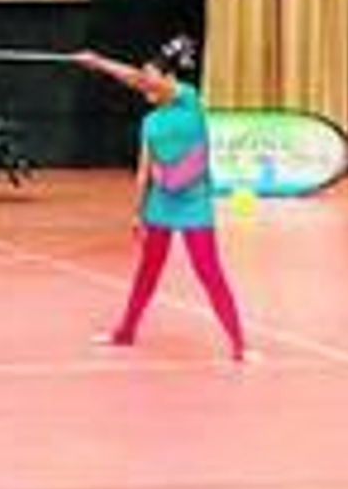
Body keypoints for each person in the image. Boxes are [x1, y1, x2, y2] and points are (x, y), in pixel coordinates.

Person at [76, 37, 250, 363]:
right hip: (162, 202)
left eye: (151, 76)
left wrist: (98, 62)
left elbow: (137, 79)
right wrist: (137, 213)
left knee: (209, 272)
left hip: (195, 203)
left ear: (170, 79)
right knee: (148, 271)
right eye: (144, 77)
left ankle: (239, 344)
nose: (145, 82)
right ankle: (126, 331)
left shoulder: (189, 100)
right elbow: (144, 172)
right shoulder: (150, 122)